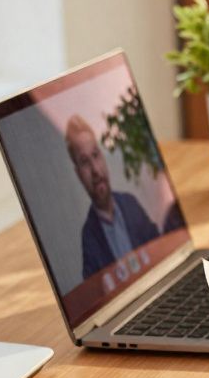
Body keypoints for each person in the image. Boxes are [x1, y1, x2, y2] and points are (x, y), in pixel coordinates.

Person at [64, 114, 160, 280]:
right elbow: (96, 297)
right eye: (85, 162)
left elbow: (161, 247)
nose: (95, 170)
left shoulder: (130, 204)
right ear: (79, 174)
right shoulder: (89, 238)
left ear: (102, 157)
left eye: (95, 155)